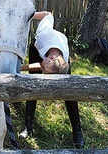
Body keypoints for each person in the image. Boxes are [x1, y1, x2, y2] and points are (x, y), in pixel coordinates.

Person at [19, 12, 85, 149]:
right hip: (37, 48)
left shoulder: (63, 62)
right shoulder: (45, 33)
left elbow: (46, 66)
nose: (43, 70)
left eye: (45, 71)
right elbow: (48, 15)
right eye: (44, 70)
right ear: (51, 59)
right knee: (33, 83)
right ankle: (28, 126)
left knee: (70, 92)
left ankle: (77, 132)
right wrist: (28, 15)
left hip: (53, 57)